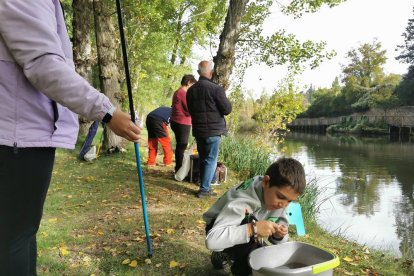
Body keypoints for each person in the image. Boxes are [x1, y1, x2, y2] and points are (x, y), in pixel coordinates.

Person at [0, 1, 141, 275]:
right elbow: (43, 65)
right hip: (17, 139)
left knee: (20, 235)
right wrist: (108, 112)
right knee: (12, 240)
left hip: (22, 136)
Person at [203, 158, 306, 276]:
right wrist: (253, 229)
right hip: (217, 227)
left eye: (290, 201)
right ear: (266, 182)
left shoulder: (281, 201)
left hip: (248, 228)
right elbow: (212, 240)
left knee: (264, 255)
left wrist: (279, 235)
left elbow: (282, 242)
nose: (283, 205)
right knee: (252, 259)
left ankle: (227, 254)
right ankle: (224, 253)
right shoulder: (244, 201)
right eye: (280, 197)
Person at [186, 60, 232, 198]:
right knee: (211, 159)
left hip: (199, 130)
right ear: (211, 72)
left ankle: (204, 184)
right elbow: (227, 109)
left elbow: (190, 110)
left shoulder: (191, 90)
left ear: (199, 72)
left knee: (203, 158)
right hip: (213, 131)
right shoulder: (216, 89)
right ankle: (204, 190)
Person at [170, 74, 196, 173]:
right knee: (182, 146)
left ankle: (178, 168)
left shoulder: (177, 91)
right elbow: (189, 108)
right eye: (193, 84)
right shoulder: (183, 93)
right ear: (189, 82)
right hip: (182, 122)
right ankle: (179, 170)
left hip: (176, 121)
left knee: (180, 146)